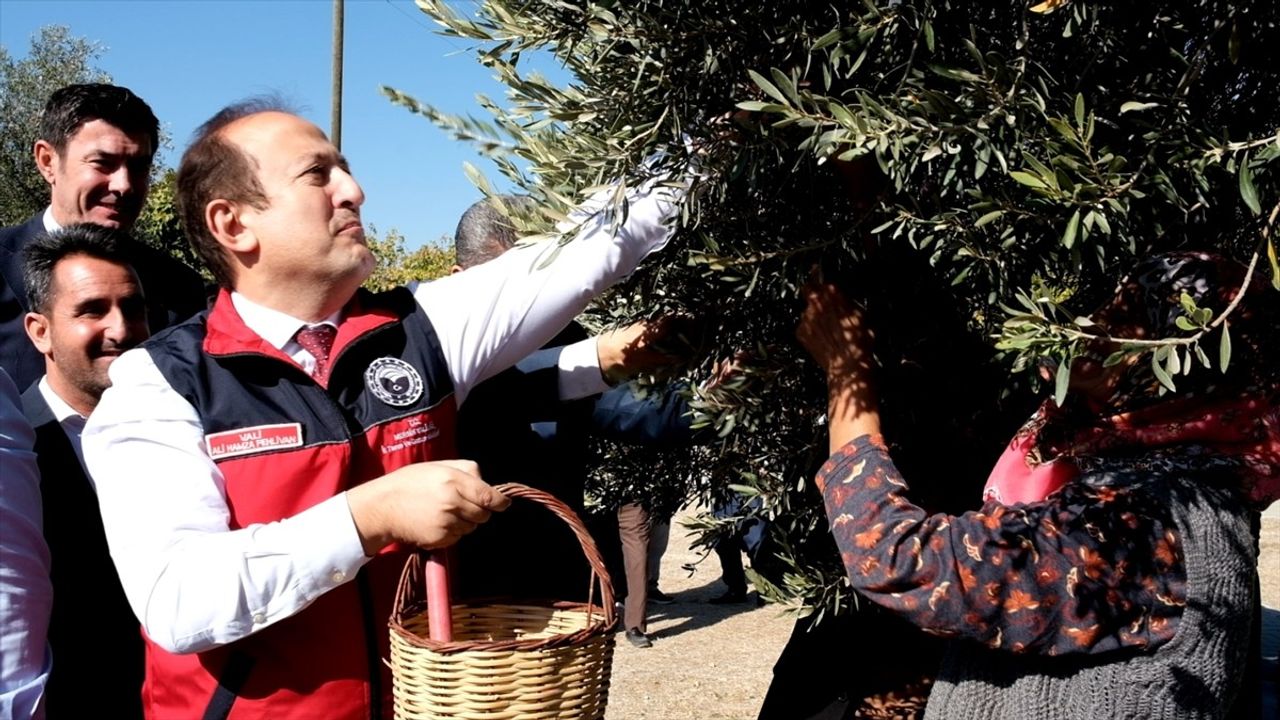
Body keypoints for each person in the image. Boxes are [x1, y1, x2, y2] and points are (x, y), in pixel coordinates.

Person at [81, 99, 689, 719]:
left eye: (344, 169)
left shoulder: (423, 326)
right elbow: (180, 600)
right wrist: (367, 517)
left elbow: (589, 248)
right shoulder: (158, 385)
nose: (354, 191)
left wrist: (712, 146)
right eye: (318, 175)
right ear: (233, 224)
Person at [795, 251, 1278, 719]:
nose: (1092, 320)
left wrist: (847, 375)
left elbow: (896, 559)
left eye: (1132, 312)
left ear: (1184, 362)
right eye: (1111, 300)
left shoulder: (1150, 525)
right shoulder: (1128, 475)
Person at [448, 196, 697, 650]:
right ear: (459, 282)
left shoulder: (562, 334)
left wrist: (717, 403)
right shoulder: (434, 351)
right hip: (466, 587)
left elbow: (630, 409)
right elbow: (502, 386)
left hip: (559, 576)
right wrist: (597, 359)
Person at [20, 224, 149, 717]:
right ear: (40, 331)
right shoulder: (15, 452)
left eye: (133, 308)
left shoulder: (183, 433)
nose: (121, 329)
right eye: (92, 310)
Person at [0, 84, 206, 391]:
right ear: (47, 162)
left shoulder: (180, 290)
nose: (124, 185)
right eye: (102, 164)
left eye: (138, 167)